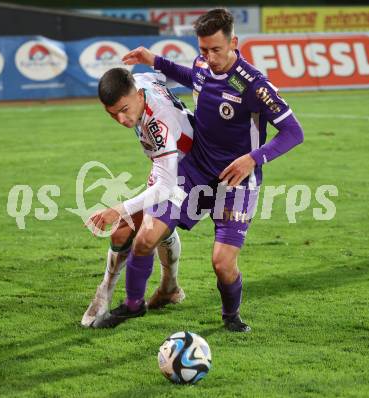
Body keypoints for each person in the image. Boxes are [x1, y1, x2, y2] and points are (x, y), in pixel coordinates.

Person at [91, 8, 304, 332]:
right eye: (203, 49)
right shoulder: (203, 65)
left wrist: (254, 158)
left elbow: (293, 132)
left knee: (222, 263)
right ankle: (134, 305)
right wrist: (156, 61)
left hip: (237, 180)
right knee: (146, 237)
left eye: (216, 49)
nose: (209, 57)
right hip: (194, 170)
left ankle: (231, 317)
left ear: (233, 42)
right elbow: (195, 77)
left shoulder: (254, 85)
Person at [82, 68, 194, 327]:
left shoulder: (157, 124)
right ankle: (162, 288)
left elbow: (165, 187)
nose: (121, 119)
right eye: (112, 114)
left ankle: (119, 294)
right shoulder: (140, 79)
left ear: (138, 95)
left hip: (187, 170)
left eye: (124, 109)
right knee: (123, 234)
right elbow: (164, 75)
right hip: (167, 163)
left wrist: (117, 209)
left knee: (144, 231)